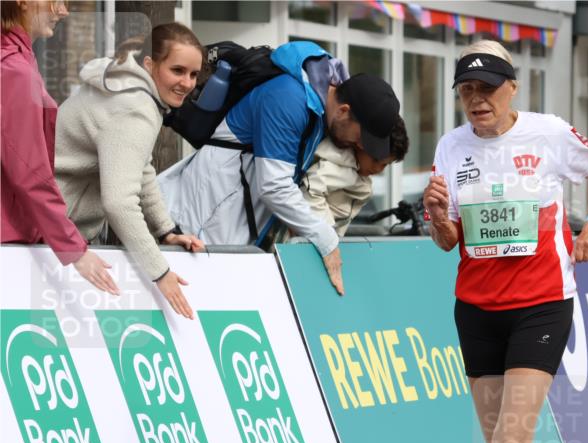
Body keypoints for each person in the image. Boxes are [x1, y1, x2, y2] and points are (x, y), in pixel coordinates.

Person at [423, 40, 588, 443]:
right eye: (466, 91)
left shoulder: (547, 132)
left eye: (487, 89)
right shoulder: (451, 147)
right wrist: (434, 215)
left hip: (541, 305)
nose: (477, 101)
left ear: (512, 90)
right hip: (477, 309)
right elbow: (448, 240)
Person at [157, 39, 402, 296]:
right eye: (362, 137)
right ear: (343, 110)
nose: (360, 145)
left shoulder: (319, 110)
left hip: (222, 239)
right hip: (192, 230)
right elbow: (274, 186)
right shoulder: (289, 98)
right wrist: (327, 241)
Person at [55, 23, 205, 319]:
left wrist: (167, 231)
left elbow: (140, 167)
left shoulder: (125, 88)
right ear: (150, 64)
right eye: (177, 70)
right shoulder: (136, 109)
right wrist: (160, 272)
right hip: (52, 230)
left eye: (193, 74)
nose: (187, 83)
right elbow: (119, 202)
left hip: (49, 225)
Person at [1, 0, 118, 294]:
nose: (64, 12)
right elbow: (29, 172)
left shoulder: (17, 63)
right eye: (56, 1)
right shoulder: (14, 72)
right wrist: (73, 249)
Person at [283, 116, 409, 294]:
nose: (379, 169)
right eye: (376, 160)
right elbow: (311, 190)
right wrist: (328, 240)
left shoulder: (358, 177)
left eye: (385, 165)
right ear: (361, 145)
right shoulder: (336, 166)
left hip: (319, 247)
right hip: (307, 247)